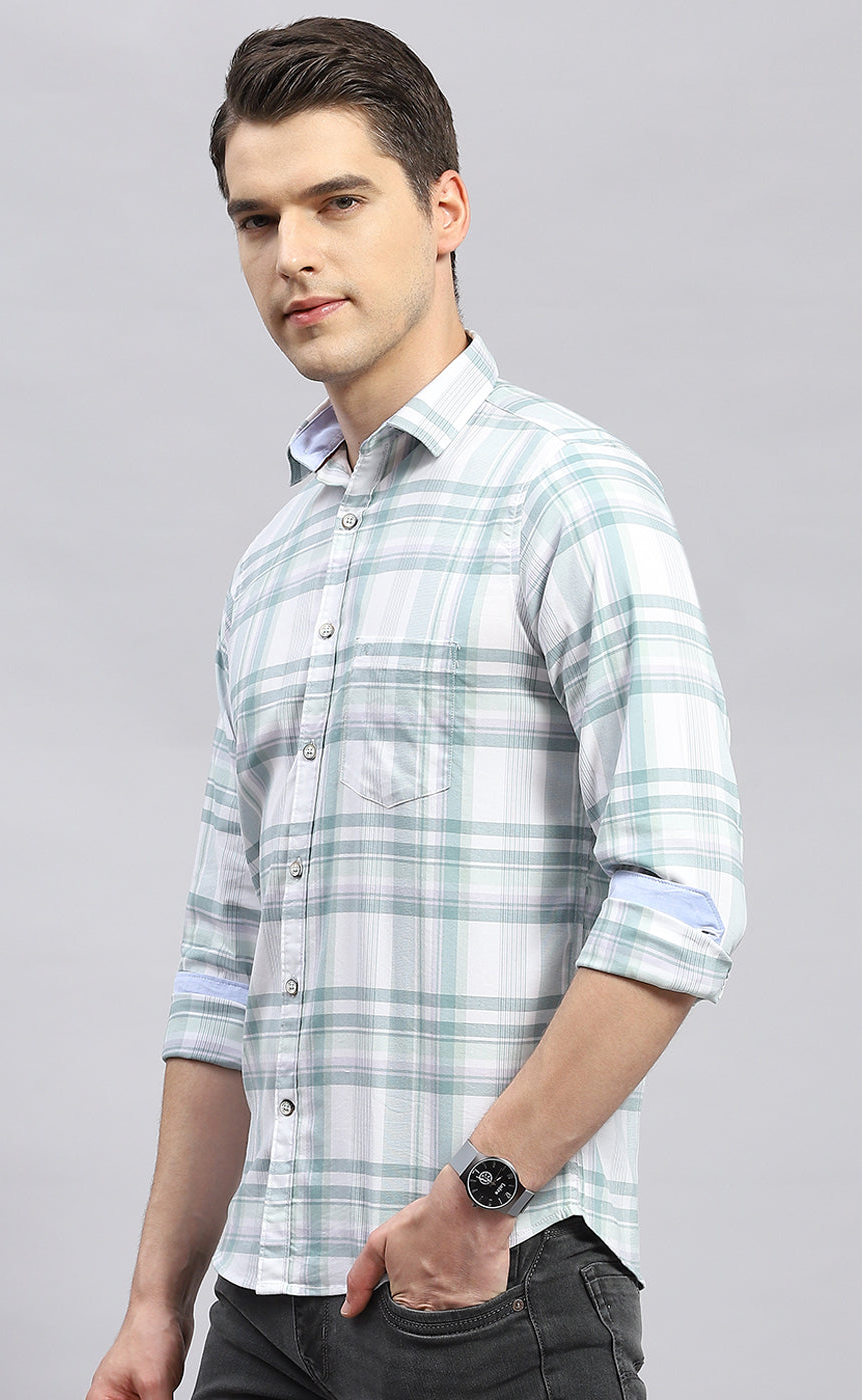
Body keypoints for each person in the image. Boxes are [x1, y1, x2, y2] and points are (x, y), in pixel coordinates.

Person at [86, 16, 745, 1400]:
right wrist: (157, 1303)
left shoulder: (569, 494)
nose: (293, 254)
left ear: (446, 210)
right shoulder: (271, 567)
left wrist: (478, 1196)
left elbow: (682, 897)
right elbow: (221, 967)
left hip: (492, 1290)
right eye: (257, 219)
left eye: (338, 201)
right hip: (264, 1304)